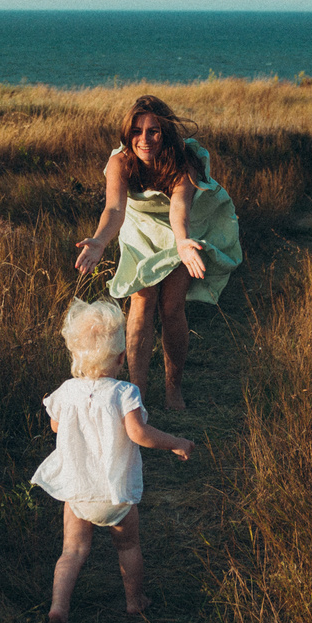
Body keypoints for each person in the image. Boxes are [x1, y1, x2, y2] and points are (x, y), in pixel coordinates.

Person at [34, 299, 194, 623]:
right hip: (116, 495)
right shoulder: (125, 392)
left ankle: (59, 607)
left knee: (72, 551)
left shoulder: (67, 391)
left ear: (74, 355)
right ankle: (135, 600)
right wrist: (176, 442)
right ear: (121, 357)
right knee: (128, 547)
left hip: (77, 492)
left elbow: (56, 427)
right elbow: (139, 433)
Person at [73, 95, 242, 410]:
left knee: (171, 306)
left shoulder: (184, 161)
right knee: (142, 300)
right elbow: (114, 209)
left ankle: (172, 388)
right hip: (138, 228)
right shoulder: (120, 162)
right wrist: (98, 241)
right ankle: (137, 394)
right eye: (137, 131)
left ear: (165, 132)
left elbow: (179, 207)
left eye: (153, 131)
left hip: (179, 230)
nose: (144, 139)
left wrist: (181, 241)